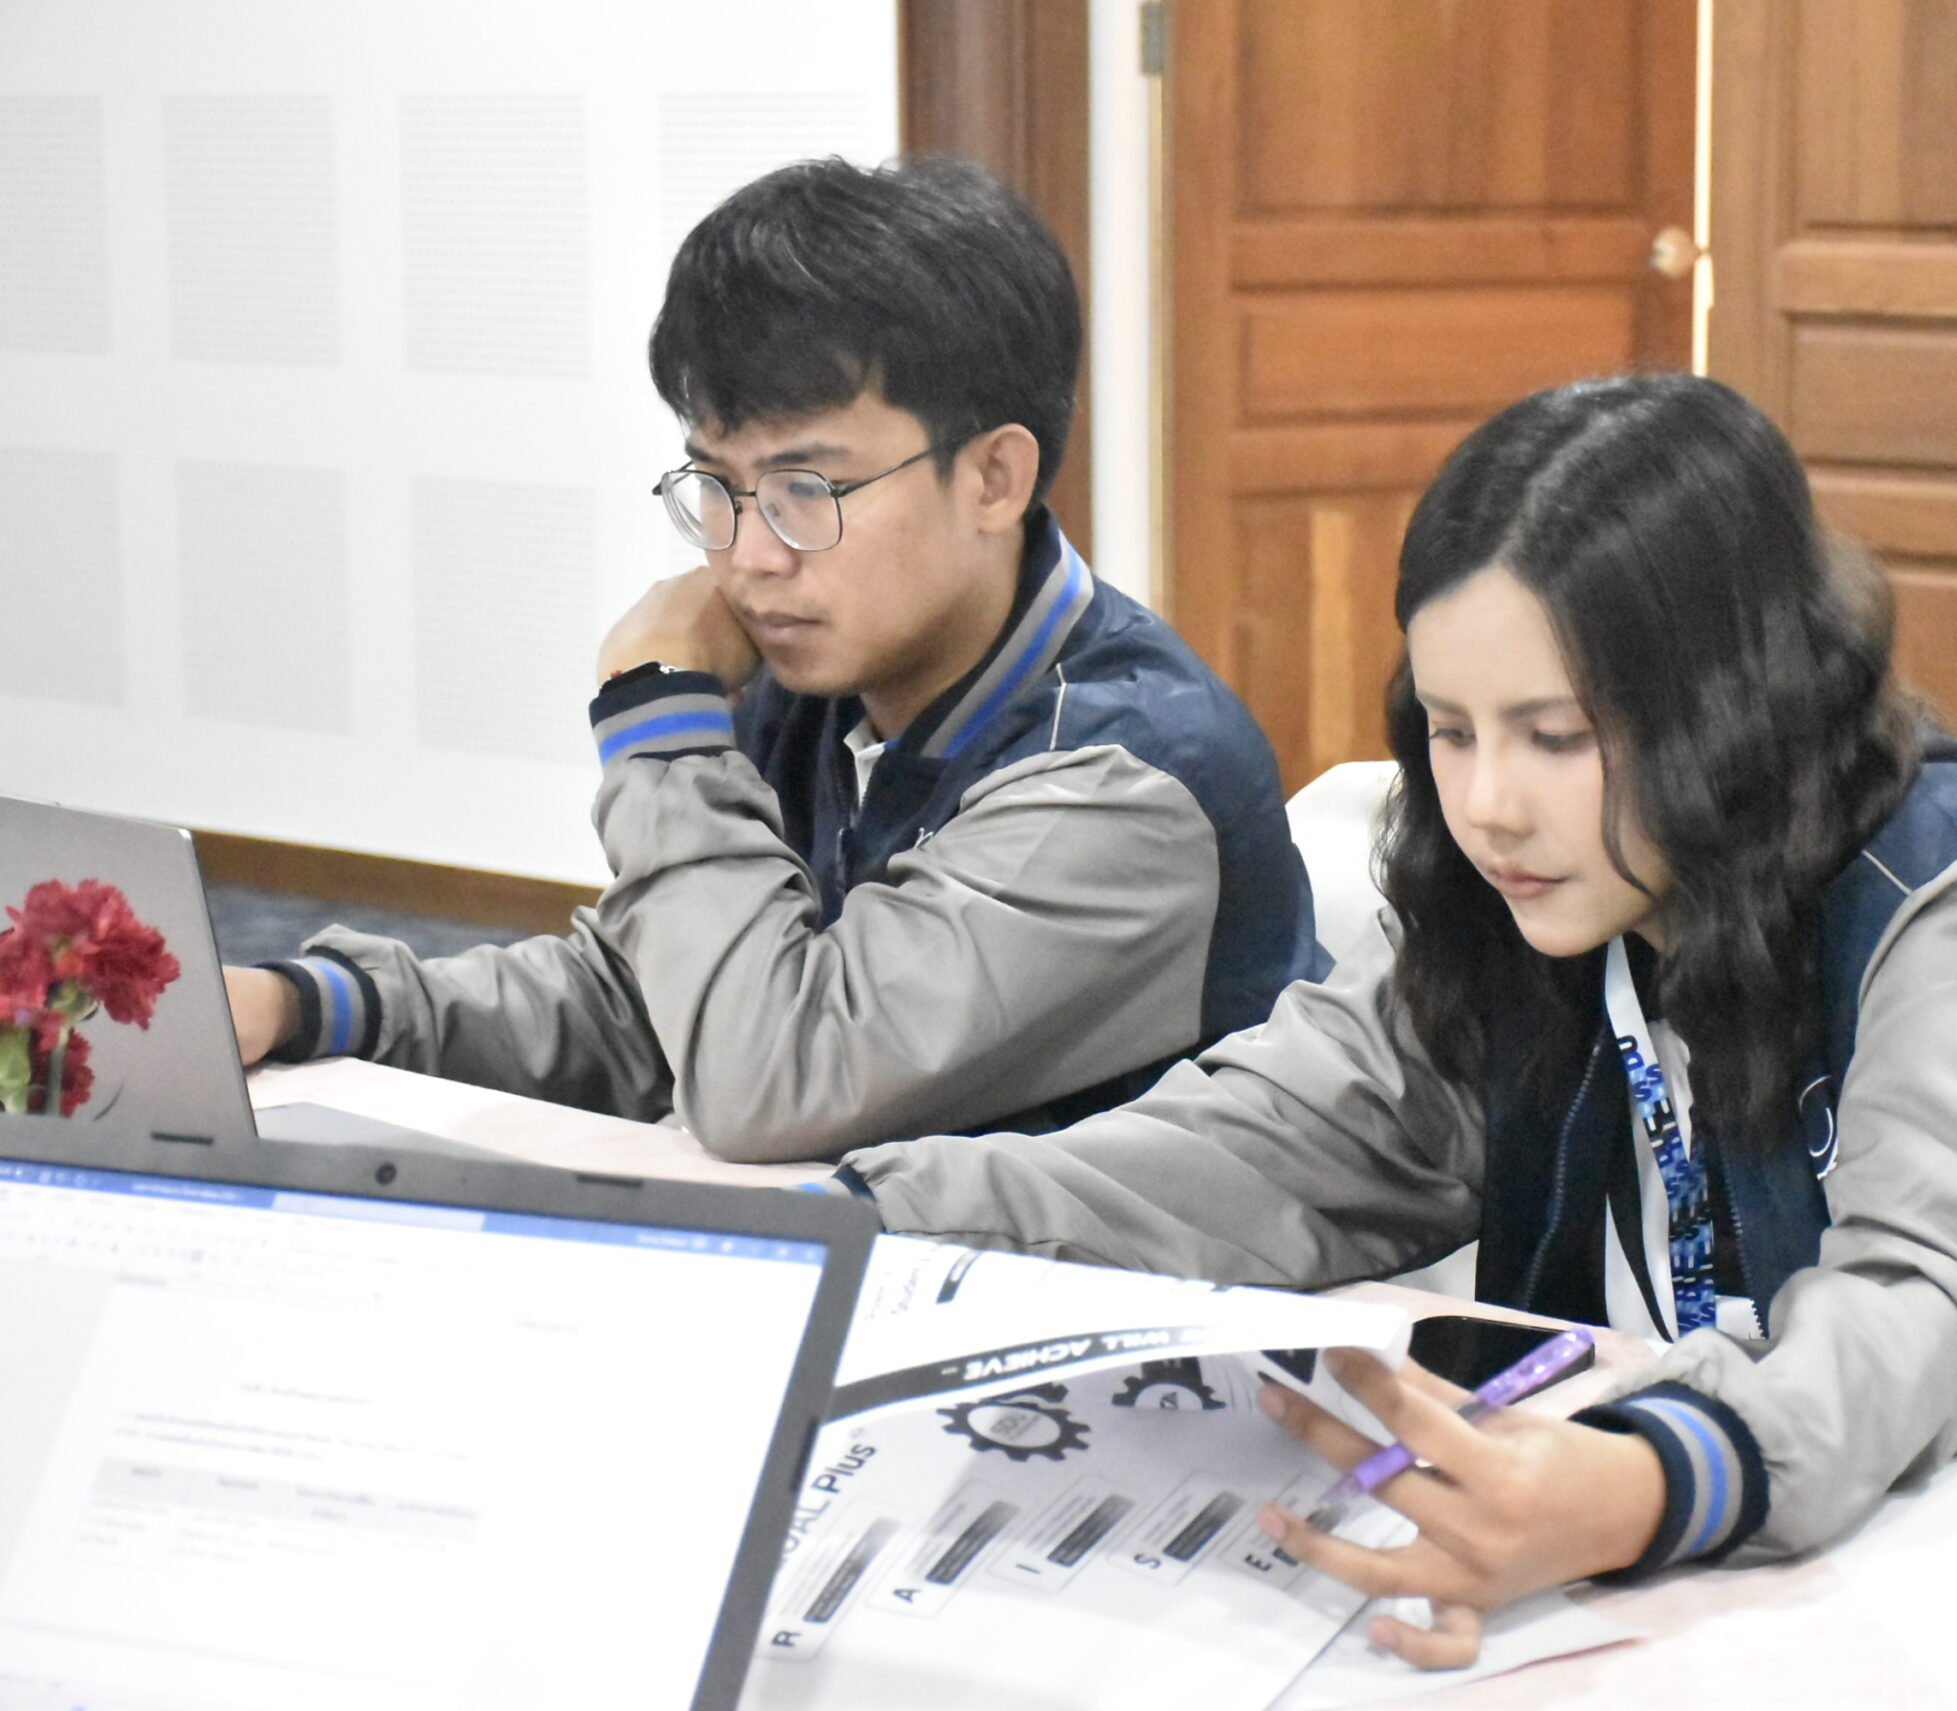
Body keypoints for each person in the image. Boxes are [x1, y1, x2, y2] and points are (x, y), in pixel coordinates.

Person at [836, 374, 1957, 1666]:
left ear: (1732, 705)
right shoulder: (1550, 897)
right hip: (1776, 1593)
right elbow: (1265, 1142)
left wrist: (1641, 1481)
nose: (1489, 802)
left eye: (1556, 736)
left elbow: (1915, 1309)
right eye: (1450, 729)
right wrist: (861, 1215)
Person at [222, 155, 1326, 1161]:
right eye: (719, 485)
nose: (749, 556)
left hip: (1091, 1300)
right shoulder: (826, 682)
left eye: (808, 489)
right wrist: (315, 1004)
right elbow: (653, 999)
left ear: (994, 478)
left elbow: (770, 1081)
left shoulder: (1121, 781)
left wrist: (662, 722)